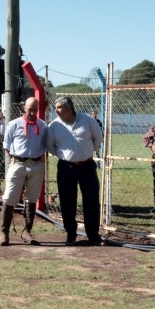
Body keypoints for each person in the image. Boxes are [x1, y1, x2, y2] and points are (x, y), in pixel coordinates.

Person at [46, 96, 105, 246]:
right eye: (56, 107)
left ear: (69, 108)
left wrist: (89, 151)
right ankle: (71, 234)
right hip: (66, 167)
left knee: (91, 200)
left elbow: (98, 138)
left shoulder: (88, 120)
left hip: (87, 166)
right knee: (67, 201)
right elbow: (50, 146)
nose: (56, 110)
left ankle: (93, 234)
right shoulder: (54, 126)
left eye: (59, 107)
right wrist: (63, 155)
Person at [0, 97, 47, 246]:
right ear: (24, 108)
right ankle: (4, 232)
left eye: (35, 110)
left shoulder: (43, 126)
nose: (32, 112)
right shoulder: (14, 124)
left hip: (37, 165)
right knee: (9, 197)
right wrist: (16, 159)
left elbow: (46, 144)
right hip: (18, 164)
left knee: (32, 199)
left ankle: (27, 231)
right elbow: (7, 145)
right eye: (30, 109)